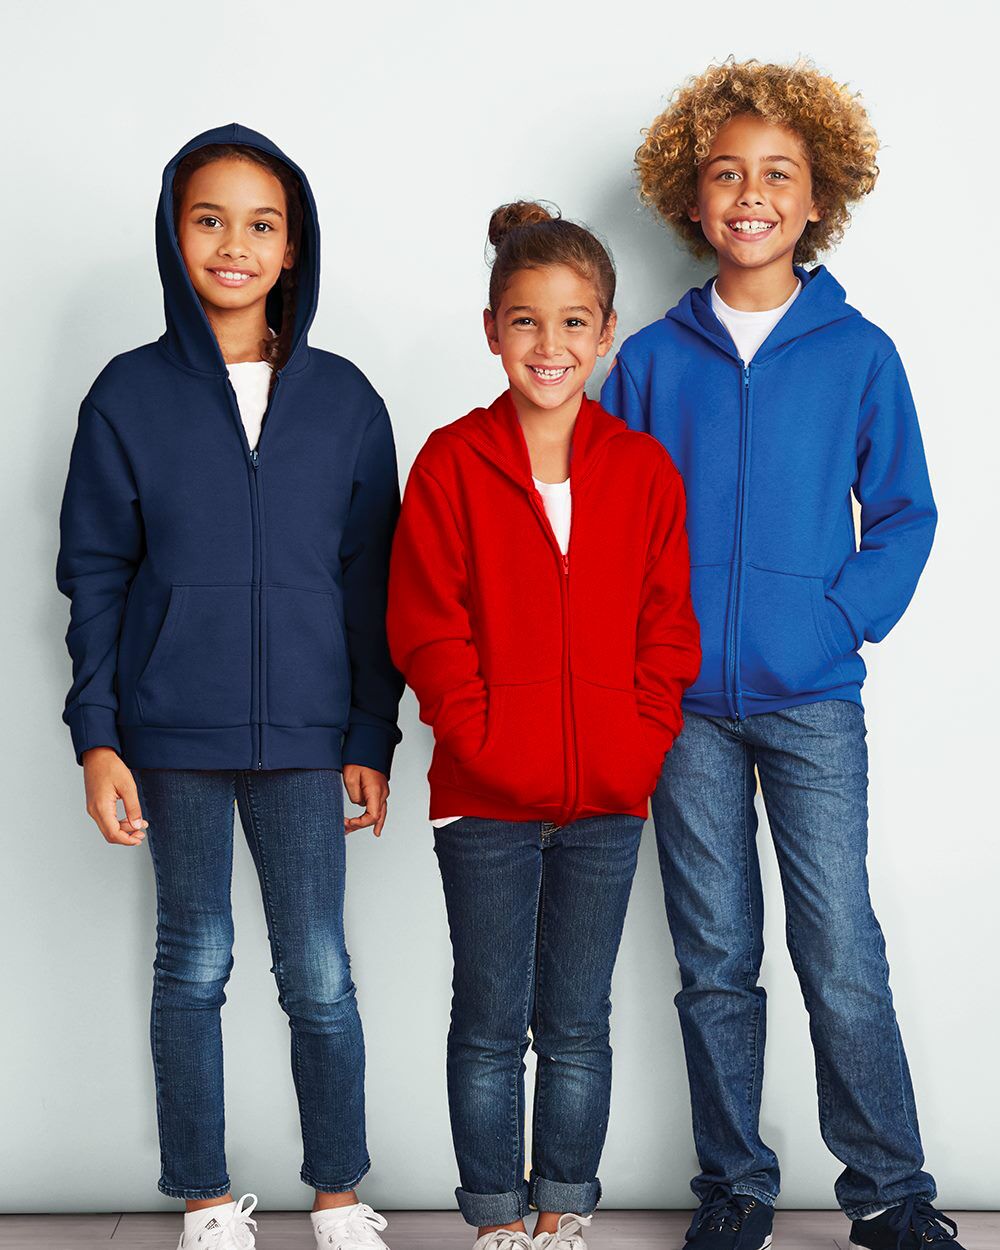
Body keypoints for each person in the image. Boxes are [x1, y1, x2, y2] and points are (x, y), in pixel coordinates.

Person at [602, 59, 961, 1250]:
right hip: (682, 709)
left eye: (776, 174)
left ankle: (891, 1192)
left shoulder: (858, 352)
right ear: (690, 198)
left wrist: (834, 617)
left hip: (811, 699)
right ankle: (735, 1187)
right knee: (713, 955)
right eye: (725, 173)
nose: (749, 193)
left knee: (839, 946)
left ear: (817, 198)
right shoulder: (650, 361)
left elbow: (903, 512)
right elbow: (609, 522)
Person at [56, 123, 403, 1250]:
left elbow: (373, 585)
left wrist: (371, 734)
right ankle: (205, 1200)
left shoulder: (345, 401)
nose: (234, 244)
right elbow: (95, 575)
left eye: (261, 224)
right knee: (193, 963)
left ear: (293, 245)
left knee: (319, 972)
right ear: (175, 232)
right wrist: (98, 737)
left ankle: (338, 1196)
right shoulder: (127, 395)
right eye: (209, 219)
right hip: (172, 734)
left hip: (306, 738)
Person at [387, 201, 701, 1250]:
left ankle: (562, 1211)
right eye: (525, 320)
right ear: (491, 330)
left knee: (575, 1022)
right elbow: (425, 624)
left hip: (608, 798)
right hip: (482, 800)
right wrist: (480, 737)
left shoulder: (644, 471)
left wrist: (637, 744)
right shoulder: (451, 462)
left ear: (607, 333)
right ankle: (494, 1221)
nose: (549, 344)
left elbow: (668, 630)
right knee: (487, 1022)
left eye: (574, 322)